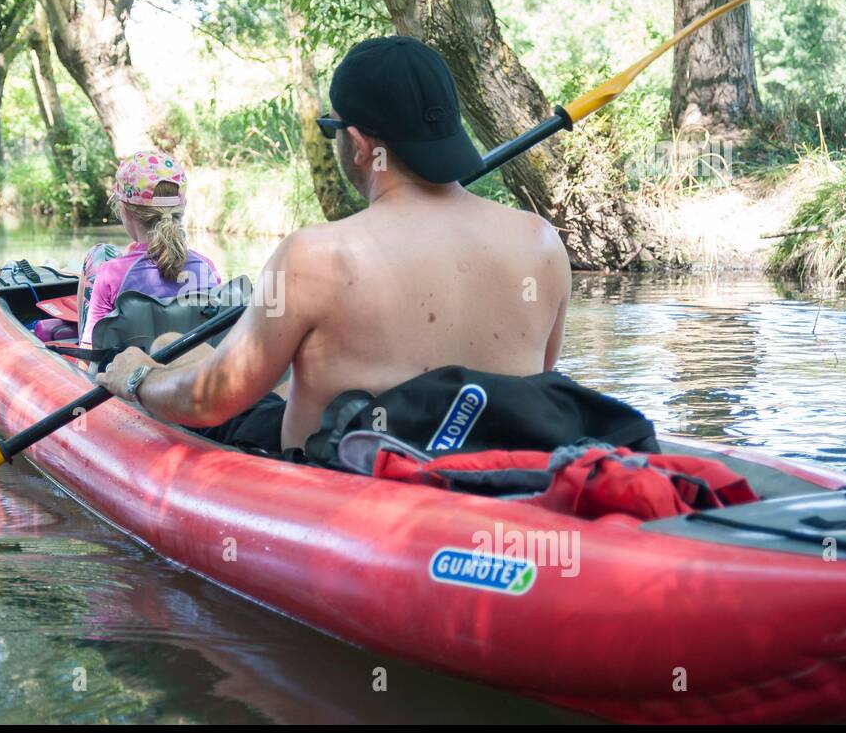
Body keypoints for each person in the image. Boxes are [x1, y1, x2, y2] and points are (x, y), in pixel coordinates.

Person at [96, 36, 572, 453]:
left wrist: (139, 377)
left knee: (168, 347)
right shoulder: (543, 244)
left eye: (333, 129)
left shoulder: (314, 255)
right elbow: (536, 380)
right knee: (259, 374)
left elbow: (214, 399)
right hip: (493, 468)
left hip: (339, 472)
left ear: (360, 144)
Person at [77, 151, 221, 348]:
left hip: (132, 376)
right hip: (192, 372)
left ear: (125, 210)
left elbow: (92, 348)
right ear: (182, 207)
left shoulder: (111, 273)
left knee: (99, 252)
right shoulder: (207, 268)